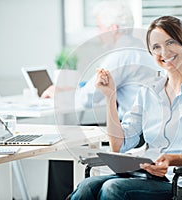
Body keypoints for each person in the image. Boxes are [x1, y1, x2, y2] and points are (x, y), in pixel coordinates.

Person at [68, 15, 182, 200]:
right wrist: (110, 96)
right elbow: (119, 146)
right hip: (148, 177)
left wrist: (171, 159)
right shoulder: (148, 91)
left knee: (113, 189)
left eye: (170, 42)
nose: (164, 52)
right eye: (156, 47)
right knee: (87, 186)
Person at [46, 1, 161, 199]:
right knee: (74, 134)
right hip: (143, 127)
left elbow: (89, 97)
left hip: (134, 133)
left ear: (113, 29)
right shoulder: (140, 48)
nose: (97, 34)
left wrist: (59, 93)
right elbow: (94, 88)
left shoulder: (120, 54)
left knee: (65, 141)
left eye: (99, 28)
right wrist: (71, 89)